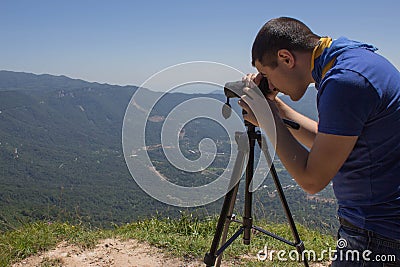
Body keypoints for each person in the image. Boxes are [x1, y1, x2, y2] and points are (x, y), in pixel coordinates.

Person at [238, 17, 400, 266]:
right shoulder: (353, 60)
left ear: (286, 58)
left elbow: (312, 179)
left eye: (267, 75)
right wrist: (276, 109)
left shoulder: (345, 82)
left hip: (376, 234)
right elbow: (330, 143)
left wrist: (268, 119)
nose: (270, 85)